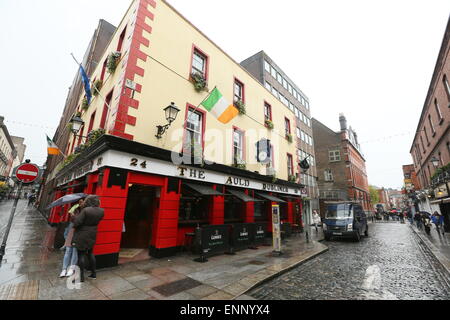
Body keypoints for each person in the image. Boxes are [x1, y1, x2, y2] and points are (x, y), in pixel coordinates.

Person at [72, 195, 104, 282]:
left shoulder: (86, 210)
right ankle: (94, 274)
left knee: (81, 255)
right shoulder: (101, 210)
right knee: (90, 253)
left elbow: (76, 223)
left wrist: (74, 217)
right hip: (92, 234)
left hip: (82, 234)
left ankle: (80, 277)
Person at [59, 198, 84, 278]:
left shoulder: (85, 211)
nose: (81, 202)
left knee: (75, 251)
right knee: (68, 250)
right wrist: (73, 217)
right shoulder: (75, 209)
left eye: (82, 201)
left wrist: (74, 218)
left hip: (79, 233)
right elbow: (73, 221)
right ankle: (64, 269)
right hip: (72, 231)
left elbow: (80, 222)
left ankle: (71, 268)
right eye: (80, 201)